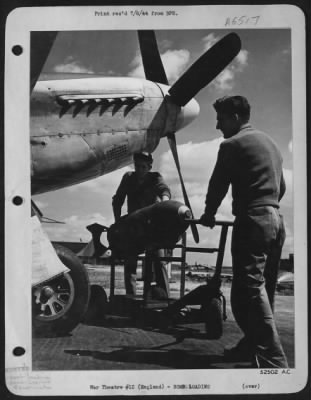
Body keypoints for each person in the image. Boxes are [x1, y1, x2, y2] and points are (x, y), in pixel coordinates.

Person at [199, 95, 288, 368]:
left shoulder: (231, 144)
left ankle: (273, 358)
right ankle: (252, 345)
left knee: (247, 291)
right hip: (276, 219)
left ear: (235, 118)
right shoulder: (271, 143)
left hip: (253, 221)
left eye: (220, 119)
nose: (217, 126)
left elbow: (218, 184)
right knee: (265, 289)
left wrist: (209, 214)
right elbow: (281, 187)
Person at [112, 152, 171, 298]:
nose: (140, 170)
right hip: (133, 226)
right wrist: (118, 222)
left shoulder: (155, 177)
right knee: (130, 261)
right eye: (137, 166)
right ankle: (131, 297)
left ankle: (164, 296)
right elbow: (118, 199)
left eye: (143, 167)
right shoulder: (128, 178)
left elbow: (164, 190)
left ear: (150, 166)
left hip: (152, 227)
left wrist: (164, 202)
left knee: (159, 261)